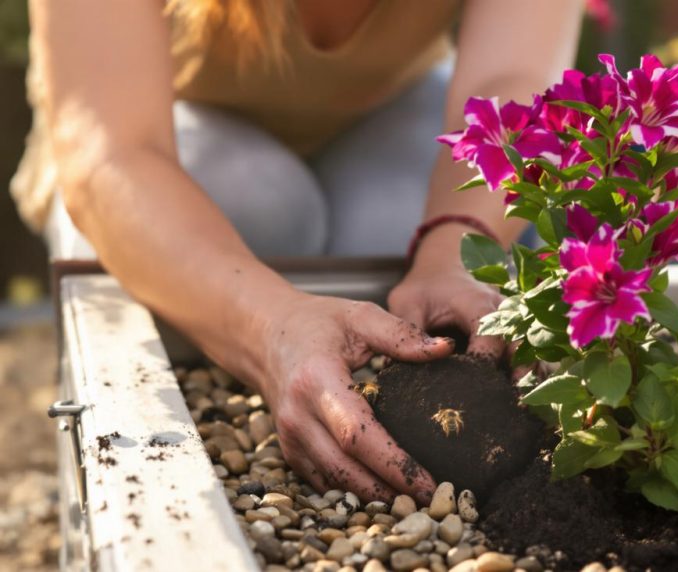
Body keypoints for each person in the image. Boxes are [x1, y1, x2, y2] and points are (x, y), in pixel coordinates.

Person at [12, 0, 583, 505]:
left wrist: (452, 248)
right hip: (157, 132)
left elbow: (517, 81)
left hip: (383, 108)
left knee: (390, 230)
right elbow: (113, 156)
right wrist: (271, 327)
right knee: (265, 207)